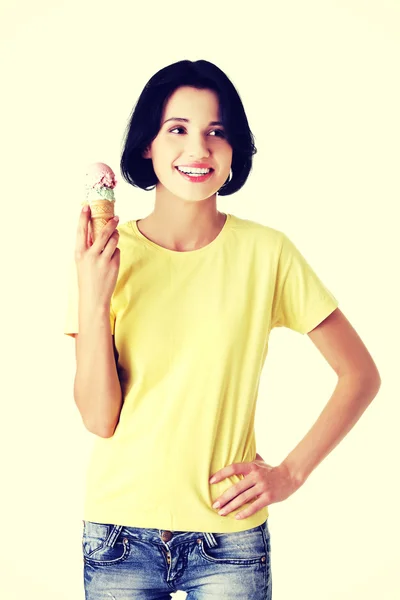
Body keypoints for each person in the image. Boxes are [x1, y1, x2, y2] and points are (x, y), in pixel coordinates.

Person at [64, 59, 381, 599]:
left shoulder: (267, 252)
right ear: (148, 146)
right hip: (118, 535)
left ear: (234, 152)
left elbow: (359, 375)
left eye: (217, 132)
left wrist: (291, 474)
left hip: (229, 541)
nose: (199, 149)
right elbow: (99, 418)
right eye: (177, 130)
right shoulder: (108, 255)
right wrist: (94, 296)